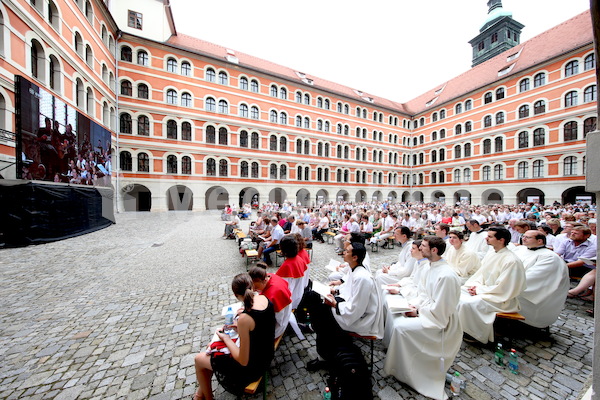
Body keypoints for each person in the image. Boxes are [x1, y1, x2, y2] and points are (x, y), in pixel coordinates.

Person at [383, 236, 462, 400]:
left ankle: (408, 369)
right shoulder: (430, 267)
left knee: (401, 328)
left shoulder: (446, 275)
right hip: (428, 311)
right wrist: (415, 306)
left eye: (423, 246)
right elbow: (423, 293)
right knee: (396, 316)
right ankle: (401, 365)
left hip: (441, 322)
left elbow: (441, 309)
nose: (420, 248)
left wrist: (418, 312)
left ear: (434, 250)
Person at [193, 273, 275, 399]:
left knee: (199, 359)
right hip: (265, 355)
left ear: (236, 295)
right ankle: (199, 395)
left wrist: (226, 339)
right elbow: (259, 327)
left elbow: (243, 361)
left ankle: (207, 398)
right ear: (252, 286)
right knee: (210, 357)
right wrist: (240, 328)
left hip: (252, 368)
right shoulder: (264, 299)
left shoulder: (245, 318)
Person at [304, 242, 383, 366]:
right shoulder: (355, 270)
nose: (343, 253)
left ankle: (326, 356)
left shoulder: (363, 278)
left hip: (361, 319)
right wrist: (335, 291)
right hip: (348, 308)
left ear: (355, 257)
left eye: (347, 251)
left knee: (322, 318)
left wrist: (335, 304)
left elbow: (357, 309)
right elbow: (347, 288)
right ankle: (325, 351)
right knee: (316, 304)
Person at [457, 227, 526, 344]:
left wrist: (479, 290)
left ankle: (475, 334)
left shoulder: (511, 260)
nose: (486, 238)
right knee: (458, 293)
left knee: (468, 303)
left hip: (501, 298)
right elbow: (481, 275)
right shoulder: (492, 254)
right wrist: (474, 286)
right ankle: (460, 328)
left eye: (490, 236)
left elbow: (505, 287)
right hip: (485, 290)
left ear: (501, 240)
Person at [513, 230, 569, 328]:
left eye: (528, 237)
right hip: (513, 284)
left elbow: (531, 280)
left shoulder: (550, 257)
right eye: (523, 236)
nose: (523, 239)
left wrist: (504, 285)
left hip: (531, 296)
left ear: (540, 241)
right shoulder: (520, 249)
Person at [249, 264, 292, 338]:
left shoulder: (273, 294)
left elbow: (278, 319)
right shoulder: (270, 275)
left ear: (264, 281)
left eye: (256, 287)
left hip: (278, 325)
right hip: (285, 311)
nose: (254, 290)